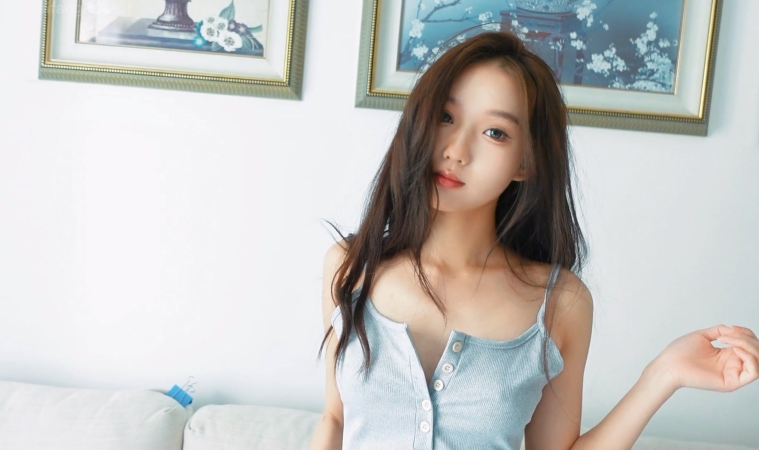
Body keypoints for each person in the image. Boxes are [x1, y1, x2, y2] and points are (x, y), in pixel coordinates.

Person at [309, 31, 758, 450]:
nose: (456, 150)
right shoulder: (350, 266)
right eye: (445, 116)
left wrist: (664, 375)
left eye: (495, 132)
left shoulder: (560, 303)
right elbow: (335, 418)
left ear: (525, 163)